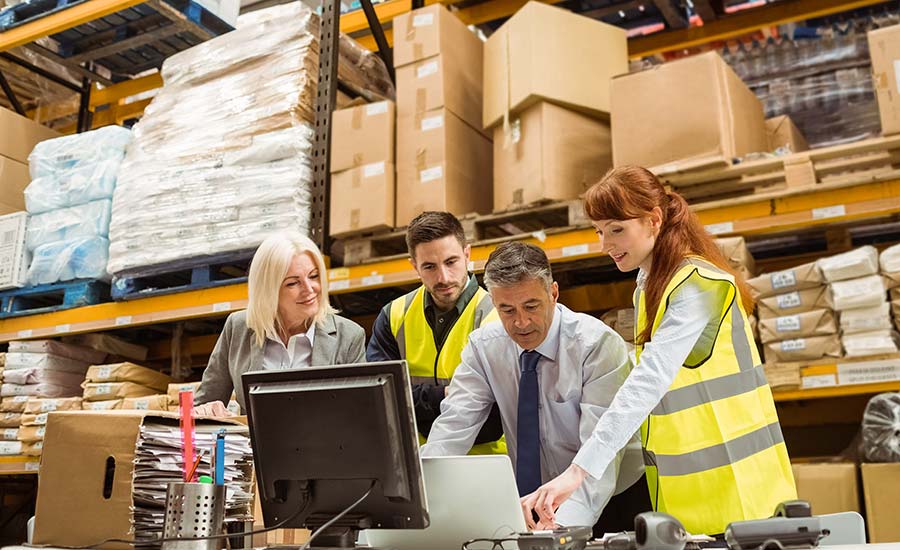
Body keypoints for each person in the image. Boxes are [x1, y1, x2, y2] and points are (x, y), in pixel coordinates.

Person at [521, 166, 796, 535]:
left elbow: (648, 381)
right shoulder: (651, 285)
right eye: (600, 231)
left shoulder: (694, 286)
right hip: (692, 498)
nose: (606, 244)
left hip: (741, 493)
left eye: (617, 229)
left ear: (654, 220)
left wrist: (578, 471)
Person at [420, 241, 648, 533]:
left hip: (610, 497)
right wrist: (415, 501)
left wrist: (561, 529)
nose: (521, 322)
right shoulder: (484, 347)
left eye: (531, 306)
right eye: (507, 310)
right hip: (530, 501)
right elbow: (452, 427)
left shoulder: (596, 346)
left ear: (553, 293)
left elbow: (600, 454)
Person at [367, 211, 505, 454]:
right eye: (429, 266)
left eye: (451, 262)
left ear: (467, 254)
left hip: (486, 464)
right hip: (418, 465)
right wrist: (444, 395)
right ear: (414, 266)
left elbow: (494, 410)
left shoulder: (499, 316)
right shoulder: (394, 316)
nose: (443, 277)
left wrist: (416, 399)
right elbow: (380, 398)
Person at [194, 231, 366, 416]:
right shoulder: (238, 328)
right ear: (268, 291)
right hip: (253, 445)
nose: (309, 289)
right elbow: (203, 405)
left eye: (314, 276)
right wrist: (207, 411)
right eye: (293, 283)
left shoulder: (349, 336)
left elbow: (360, 414)